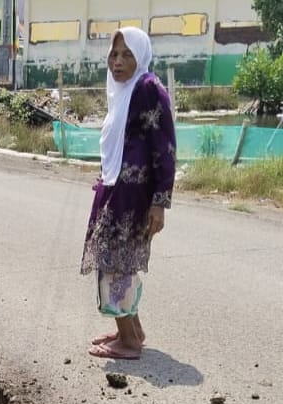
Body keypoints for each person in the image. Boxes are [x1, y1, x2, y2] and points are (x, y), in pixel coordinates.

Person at [81, 27, 176, 360]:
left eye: (126, 55)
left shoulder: (148, 88)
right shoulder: (122, 91)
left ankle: (129, 342)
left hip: (133, 196)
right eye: (114, 54)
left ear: (142, 56)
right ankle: (131, 330)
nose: (117, 62)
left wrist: (160, 203)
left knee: (113, 261)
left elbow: (164, 147)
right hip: (114, 189)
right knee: (117, 261)